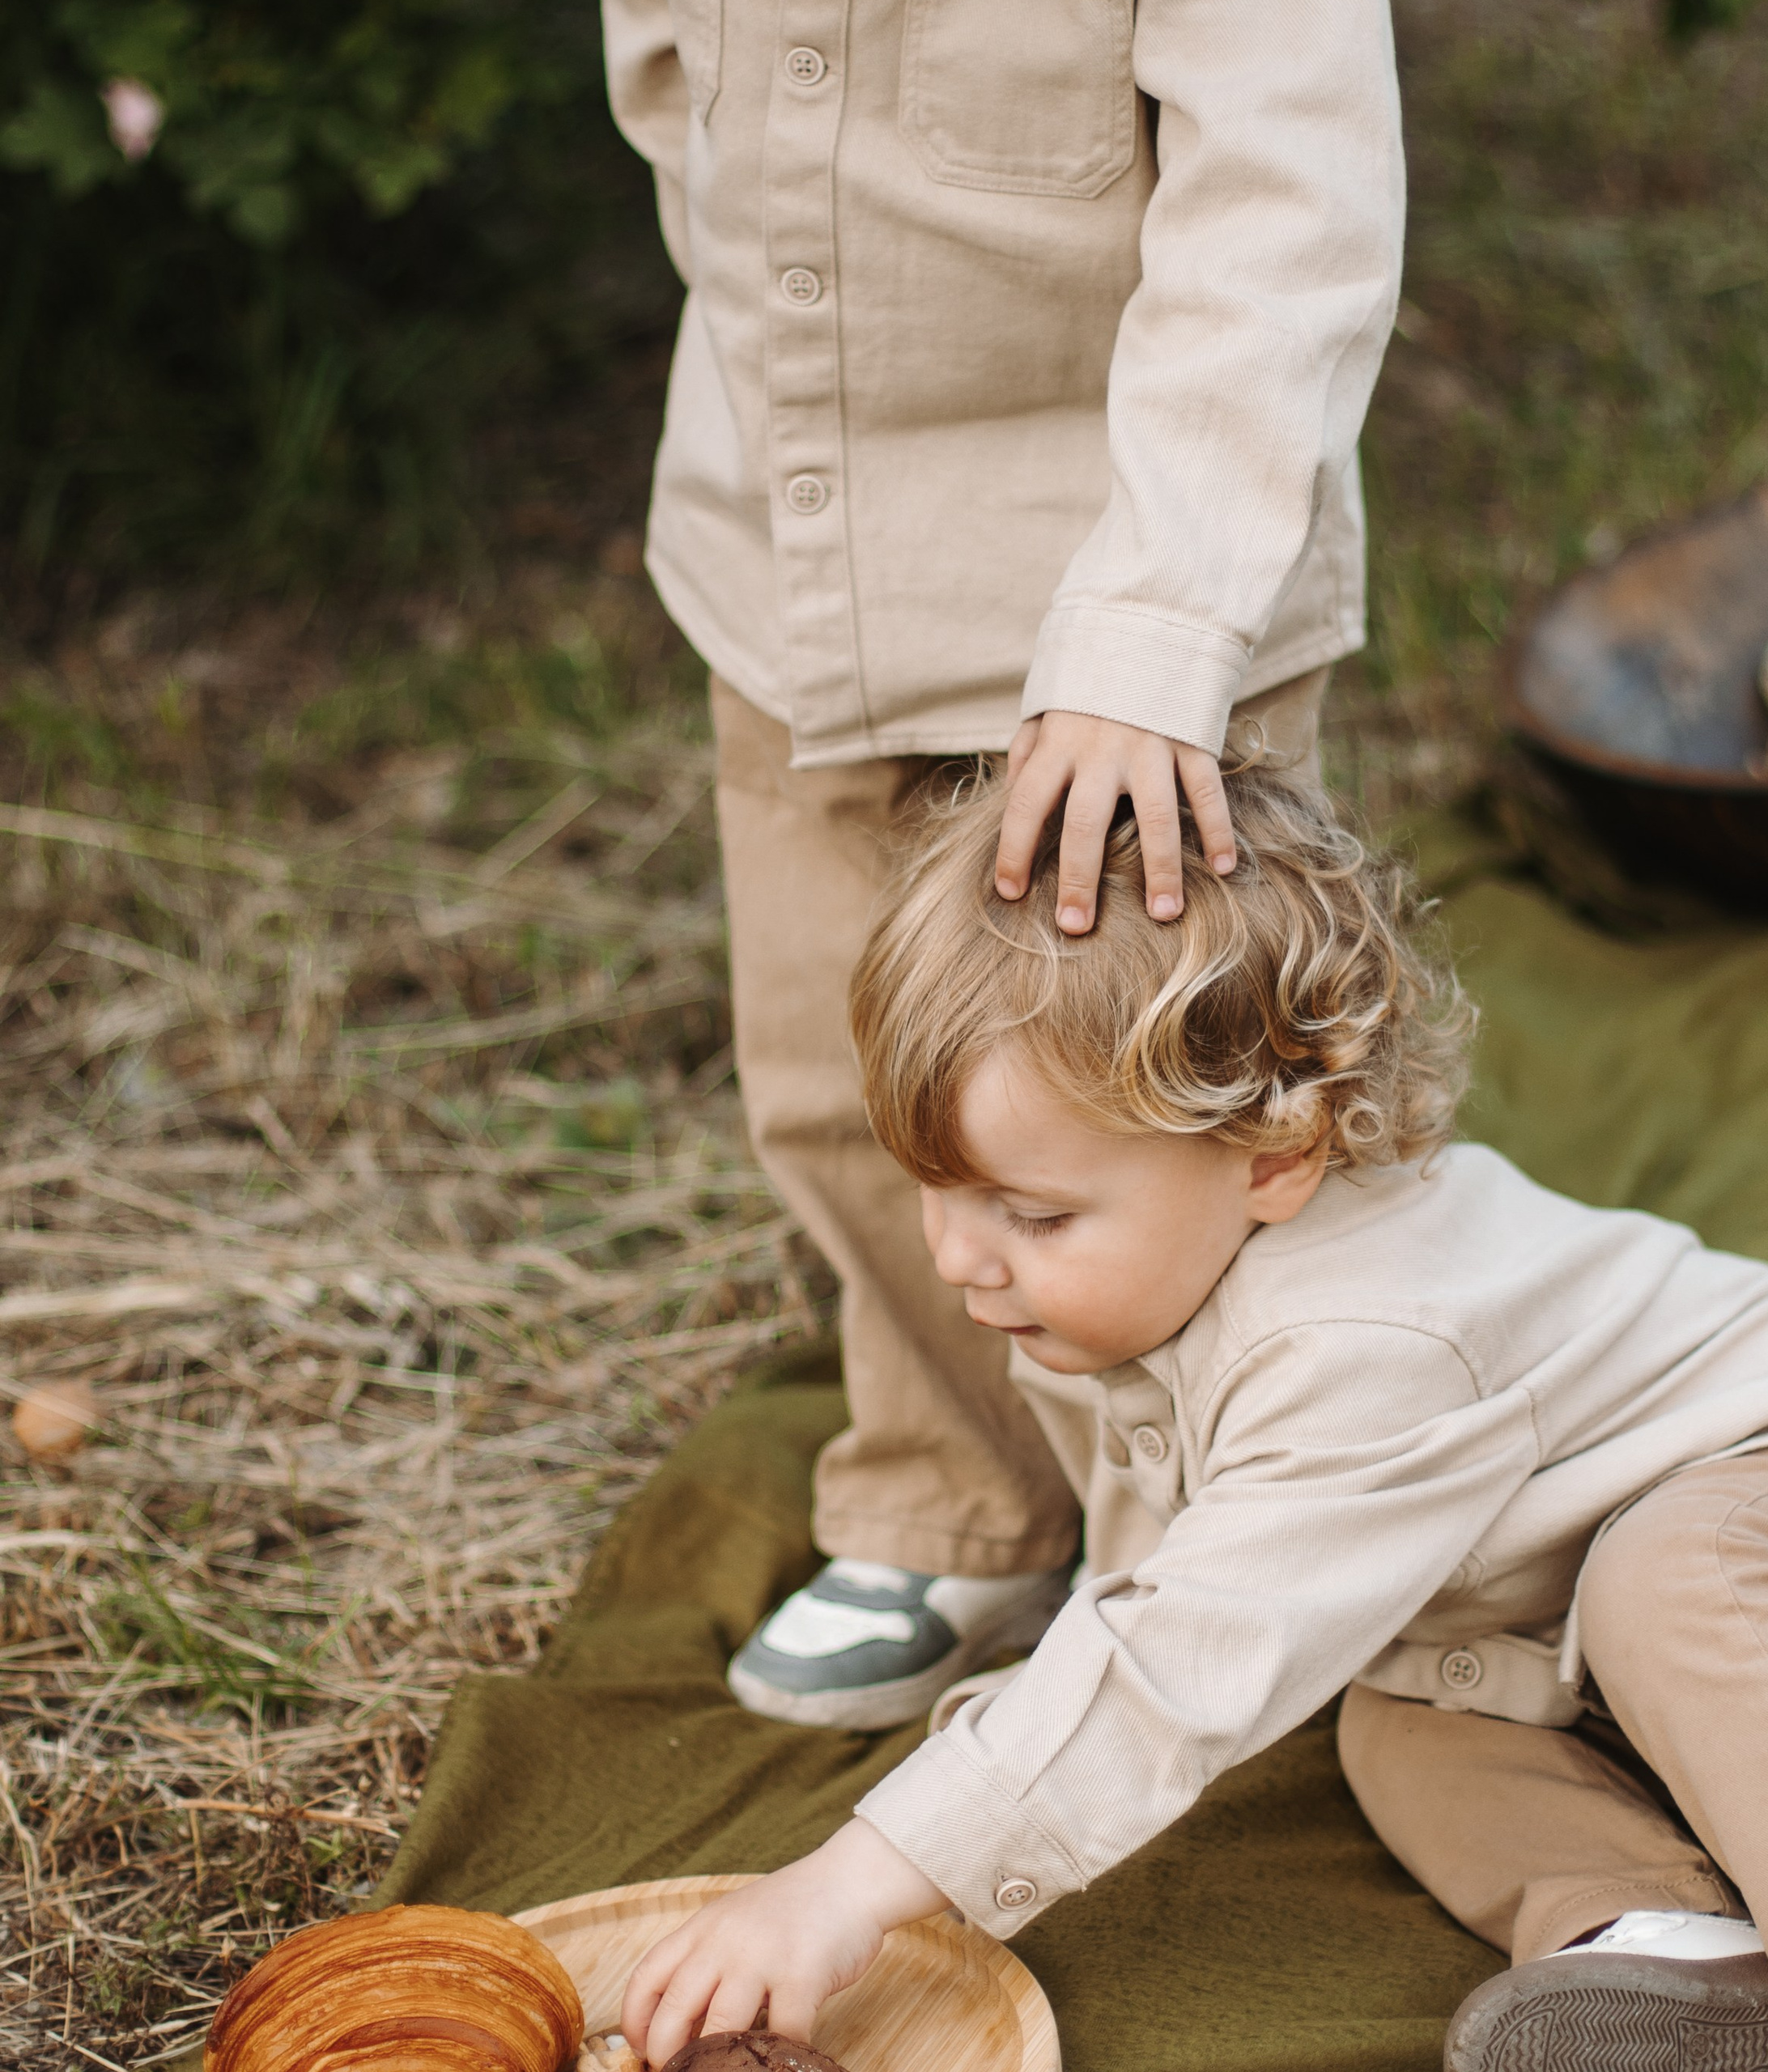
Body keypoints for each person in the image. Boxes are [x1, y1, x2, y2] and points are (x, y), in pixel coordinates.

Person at [619, 767, 1768, 2072]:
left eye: (1033, 1211)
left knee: (1673, 1577)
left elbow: (1180, 1657)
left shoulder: (1366, 1341)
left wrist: (858, 1881)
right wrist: (979, 1775)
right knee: (1392, 1711)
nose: (960, 1257)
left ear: (1280, 1154)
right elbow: (1145, 1587)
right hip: (1575, 1618)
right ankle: (1665, 1950)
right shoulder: (1103, 1286)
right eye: (936, 1188)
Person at [600, 0, 1407, 1727]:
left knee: (1163, 1102)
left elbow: (1293, 205)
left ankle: (1243, 1531)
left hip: (1124, 592)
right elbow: (676, 95)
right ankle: (961, 1492)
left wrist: (1155, 625)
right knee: (845, 1077)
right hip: (792, 557)